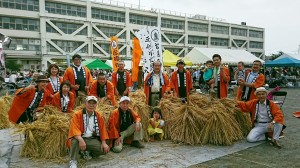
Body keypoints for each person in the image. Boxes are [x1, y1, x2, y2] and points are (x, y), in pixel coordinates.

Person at [67, 96, 110, 168]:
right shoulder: (77, 114)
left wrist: (104, 143)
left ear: (96, 105)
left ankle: (86, 152)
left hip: (91, 139)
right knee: (74, 141)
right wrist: (80, 140)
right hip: (79, 138)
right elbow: (74, 129)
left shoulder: (98, 116)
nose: (91, 105)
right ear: (85, 104)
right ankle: (73, 160)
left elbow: (103, 130)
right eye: (89, 103)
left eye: (94, 103)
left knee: (104, 150)